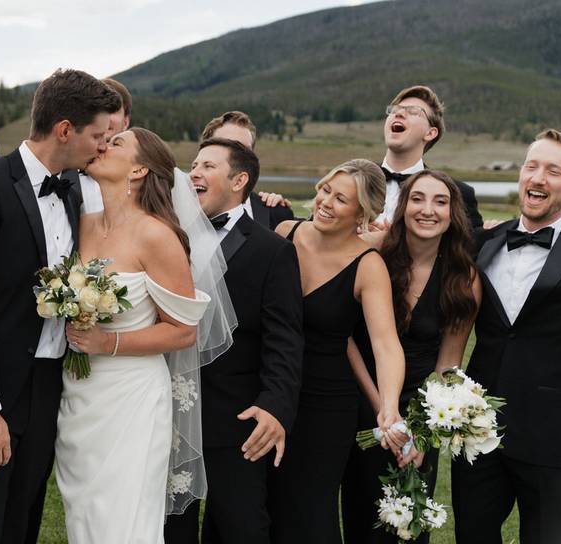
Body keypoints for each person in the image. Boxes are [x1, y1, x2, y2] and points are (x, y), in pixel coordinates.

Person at [0, 68, 120, 543]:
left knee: (22, 520)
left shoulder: (78, 190)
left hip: (48, 384)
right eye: (97, 135)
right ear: (63, 130)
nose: (102, 147)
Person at [53, 127, 211, 542]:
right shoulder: (81, 224)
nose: (102, 145)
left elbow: (183, 332)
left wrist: (109, 343)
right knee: (84, 516)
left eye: (116, 142)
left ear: (139, 168)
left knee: (123, 520)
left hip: (132, 398)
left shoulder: (156, 235)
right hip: (80, 392)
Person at [165, 137, 304, 544]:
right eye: (193, 165)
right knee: (169, 525)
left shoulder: (272, 250)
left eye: (207, 166)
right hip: (166, 409)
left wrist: (274, 405)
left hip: (236, 417)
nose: (194, 173)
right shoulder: (167, 235)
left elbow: (285, 339)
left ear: (239, 179)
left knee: (241, 525)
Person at [268, 159, 406, 544]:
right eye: (325, 189)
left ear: (363, 212)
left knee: (310, 512)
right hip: (272, 389)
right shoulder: (284, 233)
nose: (325, 202)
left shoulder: (368, 266)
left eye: (341, 199)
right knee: (264, 506)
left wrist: (389, 405)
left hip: (326, 407)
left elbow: (385, 344)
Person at [342, 170, 482, 544]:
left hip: (420, 414)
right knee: (358, 517)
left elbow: (449, 365)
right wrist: (383, 413)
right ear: (403, 207)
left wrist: (420, 435)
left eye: (440, 201)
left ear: (453, 213)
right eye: (418, 198)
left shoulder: (463, 277)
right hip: (357, 399)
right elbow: (345, 338)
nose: (428, 210)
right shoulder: (371, 252)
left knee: (405, 524)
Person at [452, 129, 561, 543]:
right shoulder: (484, 244)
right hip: (479, 432)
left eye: (554, 171)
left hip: (554, 438)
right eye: (531, 166)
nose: (538, 178)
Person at [377, 85, 482, 228]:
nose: (399, 114)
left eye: (413, 112)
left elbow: (471, 247)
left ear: (430, 133)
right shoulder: (354, 177)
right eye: (394, 110)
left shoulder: (458, 193)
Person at [200, 111, 293, 229]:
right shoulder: (181, 211)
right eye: (225, 146)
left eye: (244, 149)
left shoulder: (277, 213)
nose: (236, 156)